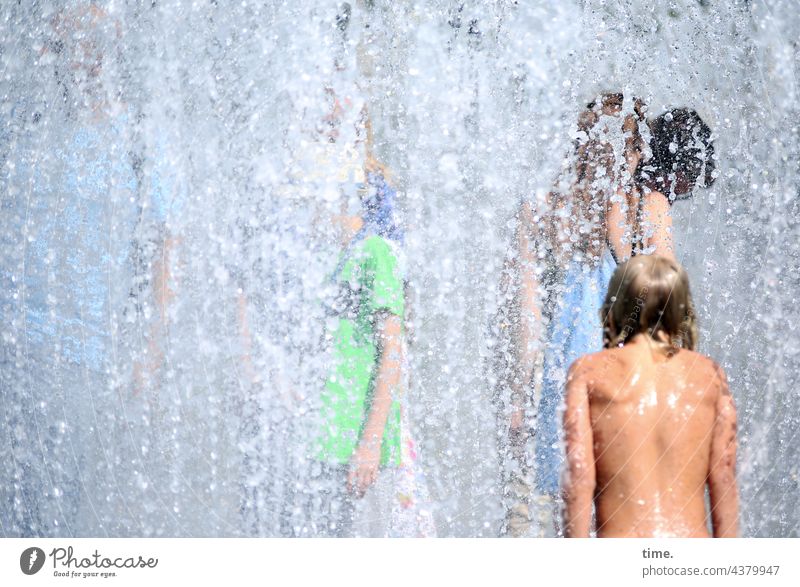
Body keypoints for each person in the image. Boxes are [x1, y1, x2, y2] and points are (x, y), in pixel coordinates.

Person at [562, 255, 739, 538]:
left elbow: (579, 474)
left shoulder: (588, 372)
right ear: (682, 309)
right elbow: (724, 475)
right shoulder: (710, 376)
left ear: (615, 305)